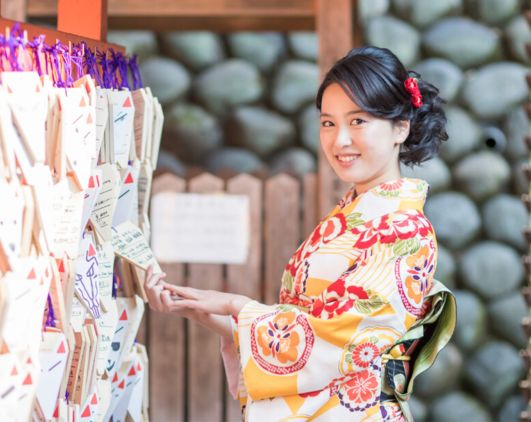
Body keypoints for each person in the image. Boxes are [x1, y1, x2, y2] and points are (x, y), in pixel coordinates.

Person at [144, 46, 457, 421]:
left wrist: (234, 305)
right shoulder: (352, 217)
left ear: (400, 127)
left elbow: (332, 340)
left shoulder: (403, 230)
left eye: (358, 122)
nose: (339, 140)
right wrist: (198, 307)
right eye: (328, 123)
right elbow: (295, 332)